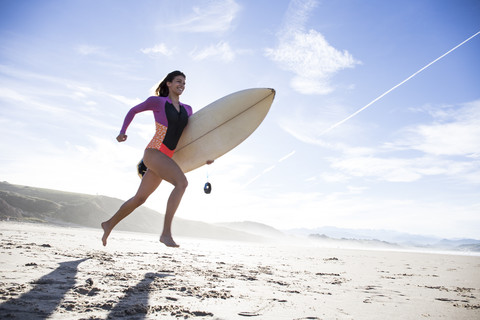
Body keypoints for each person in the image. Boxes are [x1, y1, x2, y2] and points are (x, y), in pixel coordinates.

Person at [101, 70, 207, 248]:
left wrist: (207, 155)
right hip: (154, 152)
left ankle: (108, 224)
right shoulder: (158, 101)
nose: (182, 85)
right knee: (182, 183)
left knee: (140, 198)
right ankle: (166, 233)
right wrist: (122, 132)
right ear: (169, 83)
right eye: (178, 81)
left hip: (166, 157)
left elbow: (190, 137)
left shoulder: (188, 109)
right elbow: (133, 110)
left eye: (184, 83)